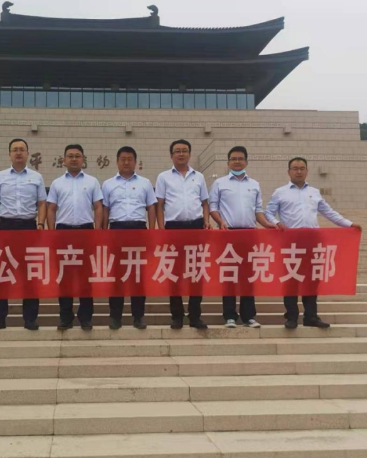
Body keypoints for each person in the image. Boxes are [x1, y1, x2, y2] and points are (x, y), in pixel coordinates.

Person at [265, 157, 362, 329]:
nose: (299, 171)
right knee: (291, 278)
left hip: (312, 241)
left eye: (302, 168)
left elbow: (329, 212)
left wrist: (348, 224)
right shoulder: (280, 192)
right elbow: (268, 213)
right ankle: (291, 316)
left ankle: (311, 316)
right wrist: (276, 223)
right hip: (291, 242)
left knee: (312, 279)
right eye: (295, 168)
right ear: (288, 172)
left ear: (307, 171)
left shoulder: (314, 192)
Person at [209, 145, 277, 329]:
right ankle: (229, 316)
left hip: (249, 234)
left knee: (248, 276)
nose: (237, 162)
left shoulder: (254, 184)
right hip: (228, 234)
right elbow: (213, 207)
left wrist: (267, 224)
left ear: (246, 161)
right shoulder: (220, 183)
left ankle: (248, 316)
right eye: (233, 159)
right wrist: (220, 222)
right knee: (229, 276)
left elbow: (258, 210)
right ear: (228, 162)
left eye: (240, 158)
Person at [0, 138, 47, 331]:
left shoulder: (36, 177)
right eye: (15, 150)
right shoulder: (0, 176)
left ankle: (30, 319)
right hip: (6, 226)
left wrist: (40, 223)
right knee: (1, 272)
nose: (18, 153)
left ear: (27, 153)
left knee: (30, 273)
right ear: (9, 154)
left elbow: (42, 203)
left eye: (22, 149)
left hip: (29, 226)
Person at [155, 139, 211, 330]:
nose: (181, 154)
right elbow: (160, 205)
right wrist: (161, 229)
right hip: (173, 228)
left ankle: (195, 316)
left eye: (184, 151)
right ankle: (177, 316)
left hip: (196, 227)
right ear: (171, 155)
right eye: (177, 151)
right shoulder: (163, 177)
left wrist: (206, 220)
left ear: (189, 154)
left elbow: (205, 202)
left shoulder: (199, 177)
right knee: (174, 273)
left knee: (196, 272)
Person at [47, 144, 103, 331]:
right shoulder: (57, 183)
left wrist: (97, 231)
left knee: (85, 276)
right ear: (64, 160)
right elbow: (51, 209)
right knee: (65, 277)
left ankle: (85, 317)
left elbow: (98, 207)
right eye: (70, 156)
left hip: (86, 231)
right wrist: (52, 232)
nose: (73, 159)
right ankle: (66, 317)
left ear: (83, 159)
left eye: (77, 156)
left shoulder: (92, 181)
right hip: (63, 232)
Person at [102, 146, 156, 330]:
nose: (126, 162)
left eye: (130, 159)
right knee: (117, 275)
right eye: (123, 159)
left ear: (135, 162)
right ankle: (115, 316)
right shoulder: (108, 184)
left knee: (138, 276)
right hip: (116, 230)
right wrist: (103, 232)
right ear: (117, 161)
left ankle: (138, 316)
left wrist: (152, 231)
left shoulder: (145, 183)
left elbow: (151, 207)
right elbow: (105, 209)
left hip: (139, 230)